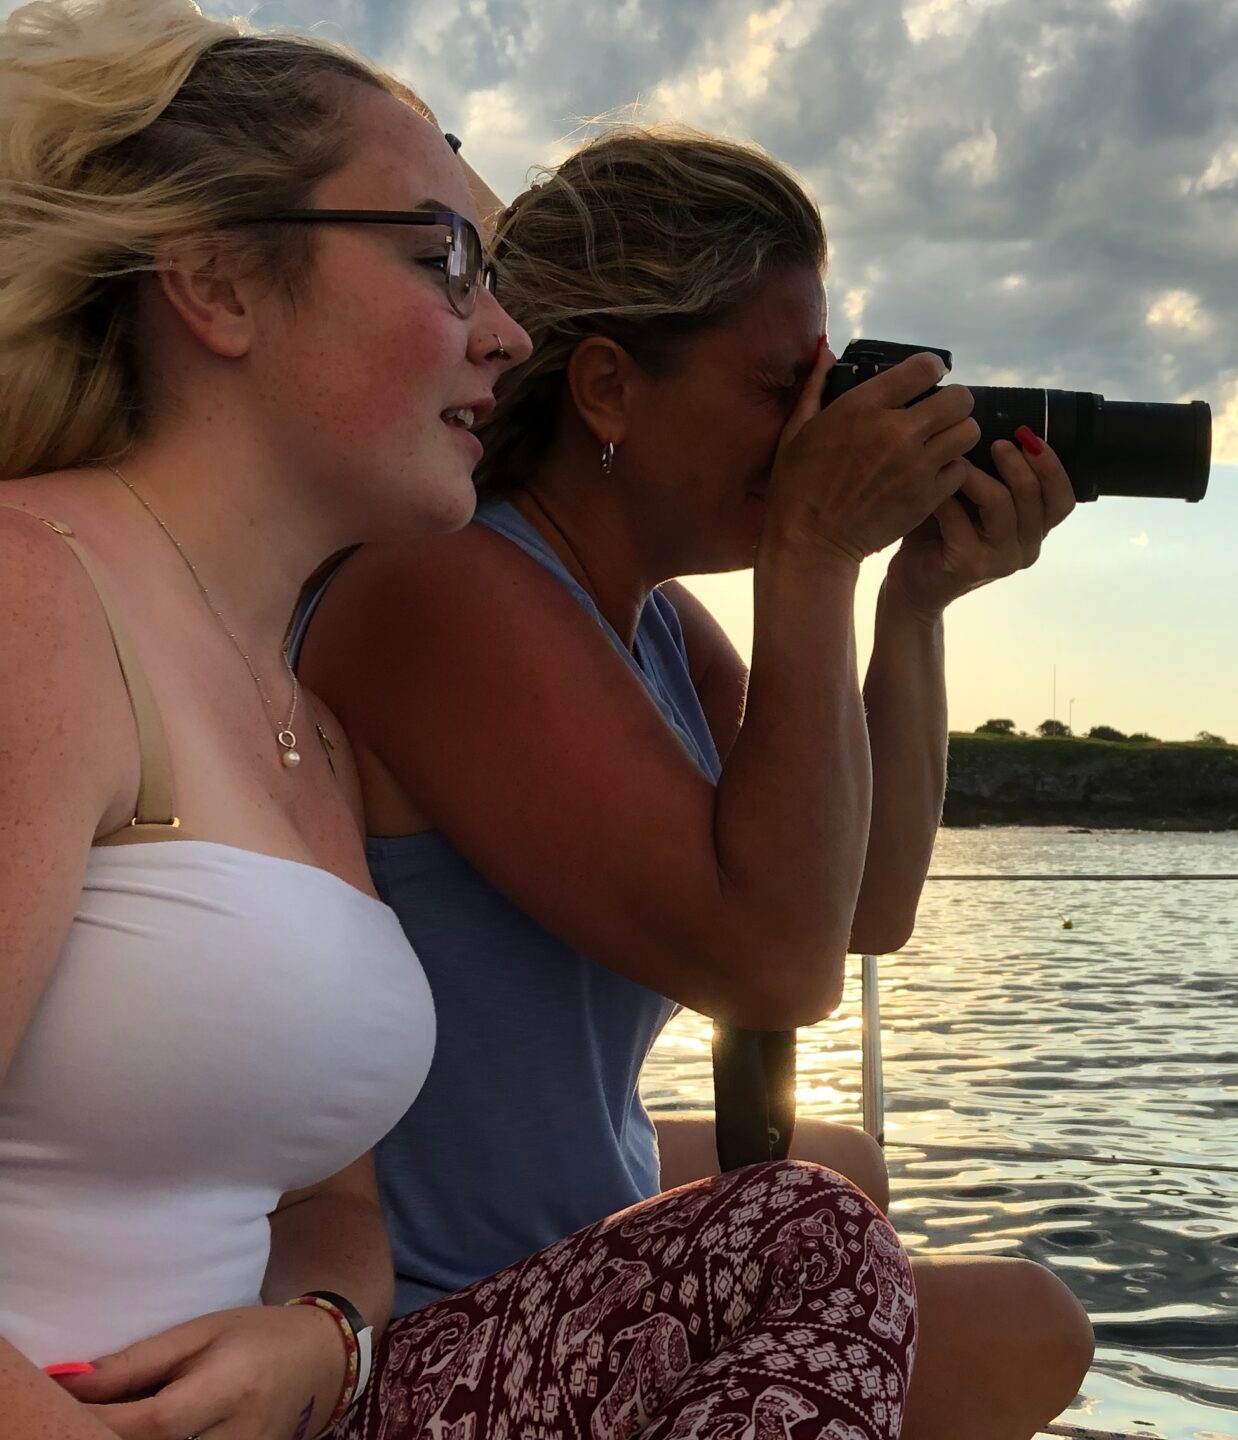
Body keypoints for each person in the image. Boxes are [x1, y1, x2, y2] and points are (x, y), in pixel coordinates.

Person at [0, 4, 916, 1439]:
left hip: (337, 1401)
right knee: (817, 1237)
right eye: (445, 263)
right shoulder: (32, 598)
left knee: (815, 1220)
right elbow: (781, 958)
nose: (506, 335)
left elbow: (327, 1205)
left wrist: (323, 1335)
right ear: (218, 283)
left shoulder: (283, 710)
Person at [292, 125, 1096, 1438]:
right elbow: (777, 970)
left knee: (847, 1160)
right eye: (783, 388)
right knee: (1030, 1330)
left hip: (566, 1262)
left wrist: (913, 606)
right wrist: (816, 552)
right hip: (434, 1320)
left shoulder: (650, 622)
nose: (811, 435)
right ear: (607, 388)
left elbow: (860, 914)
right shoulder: (442, 587)